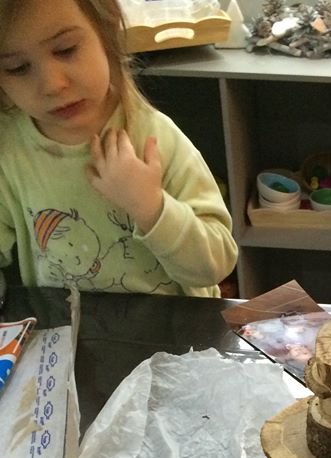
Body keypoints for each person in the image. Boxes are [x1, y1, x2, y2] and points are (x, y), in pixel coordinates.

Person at [0, 0, 237, 297]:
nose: (52, 84)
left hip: (174, 323)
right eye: (18, 68)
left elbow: (216, 264)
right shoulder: (10, 149)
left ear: (106, 33)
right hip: (67, 324)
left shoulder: (153, 137)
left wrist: (150, 207)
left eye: (66, 50)